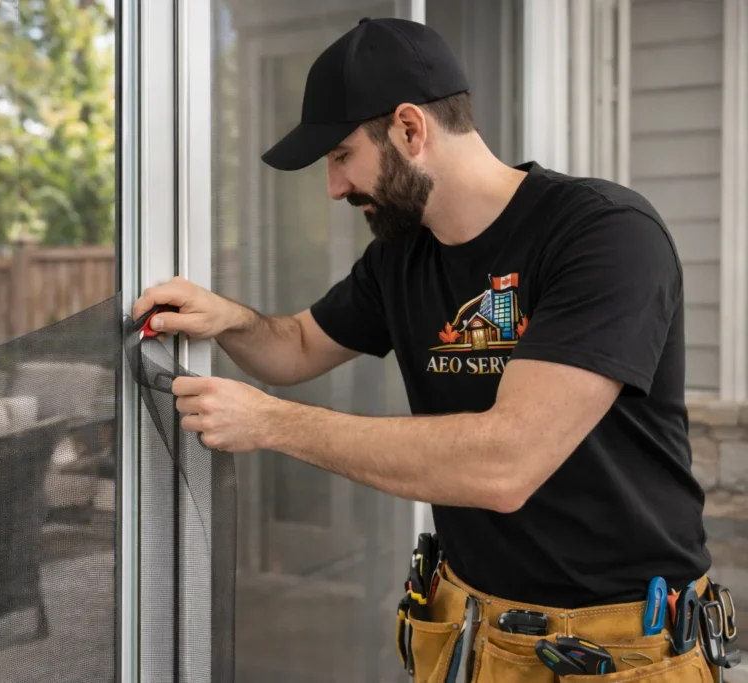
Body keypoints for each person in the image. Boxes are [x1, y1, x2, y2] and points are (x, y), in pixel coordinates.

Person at [133, 17, 729, 681]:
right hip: (466, 630)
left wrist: (272, 423)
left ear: (410, 129)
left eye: (340, 156)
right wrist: (229, 320)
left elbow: (506, 463)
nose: (334, 187)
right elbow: (297, 345)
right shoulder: (400, 257)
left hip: (617, 649)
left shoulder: (603, 235)